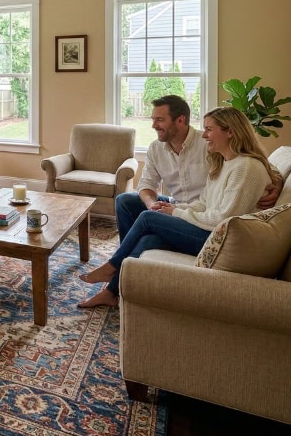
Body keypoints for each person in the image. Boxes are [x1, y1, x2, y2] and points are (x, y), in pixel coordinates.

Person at [78, 106, 273, 309]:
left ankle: (113, 266)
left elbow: (224, 219)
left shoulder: (245, 167)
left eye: (209, 129)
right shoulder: (223, 162)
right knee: (143, 230)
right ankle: (114, 289)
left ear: (230, 131)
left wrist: (176, 213)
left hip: (220, 238)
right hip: (196, 217)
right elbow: (204, 203)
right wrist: (164, 208)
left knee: (147, 219)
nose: (205, 135)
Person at [115, 95, 280, 241]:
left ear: (180, 120)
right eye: (153, 119)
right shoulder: (155, 148)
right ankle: (127, 258)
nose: (153, 125)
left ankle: (121, 261)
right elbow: (146, 184)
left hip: (204, 213)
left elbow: (260, 164)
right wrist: (152, 204)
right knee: (124, 201)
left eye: (160, 120)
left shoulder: (212, 144)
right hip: (180, 205)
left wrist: (277, 183)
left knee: (148, 220)